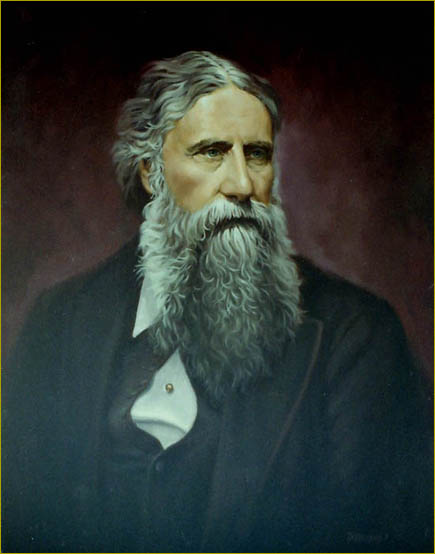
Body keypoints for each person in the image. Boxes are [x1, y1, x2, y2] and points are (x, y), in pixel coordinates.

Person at [2, 51, 432, 553]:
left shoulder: (356, 334)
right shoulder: (58, 322)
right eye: (211, 152)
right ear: (151, 172)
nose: (242, 184)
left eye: (257, 154)